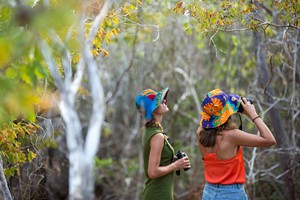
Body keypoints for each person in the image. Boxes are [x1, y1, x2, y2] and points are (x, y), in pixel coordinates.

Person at [196, 89, 276, 200]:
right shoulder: (232, 136)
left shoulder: (199, 133)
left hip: (209, 192)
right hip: (231, 194)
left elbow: (208, 119)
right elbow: (270, 139)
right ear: (227, 112)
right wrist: (253, 114)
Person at [135, 87, 191, 200]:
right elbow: (153, 171)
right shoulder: (157, 136)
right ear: (152, 109)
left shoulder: (147, 130)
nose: (165, 101)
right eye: (160, 101)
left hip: (156, 192)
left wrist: (173, 160)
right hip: (159, 194)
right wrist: (176, 165)